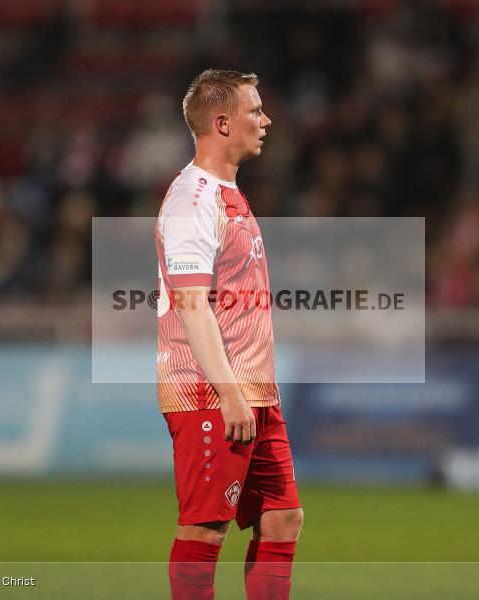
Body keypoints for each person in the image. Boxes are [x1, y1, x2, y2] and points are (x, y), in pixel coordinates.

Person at [155, 69, 303, 600]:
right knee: (205, 528)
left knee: (283, 518)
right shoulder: (192, 201)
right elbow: (192, 306)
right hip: (210, 393)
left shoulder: (226, 193)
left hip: (253, 389)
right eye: (254, 111)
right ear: (222, 122)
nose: (265, 120)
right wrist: (228, 392)